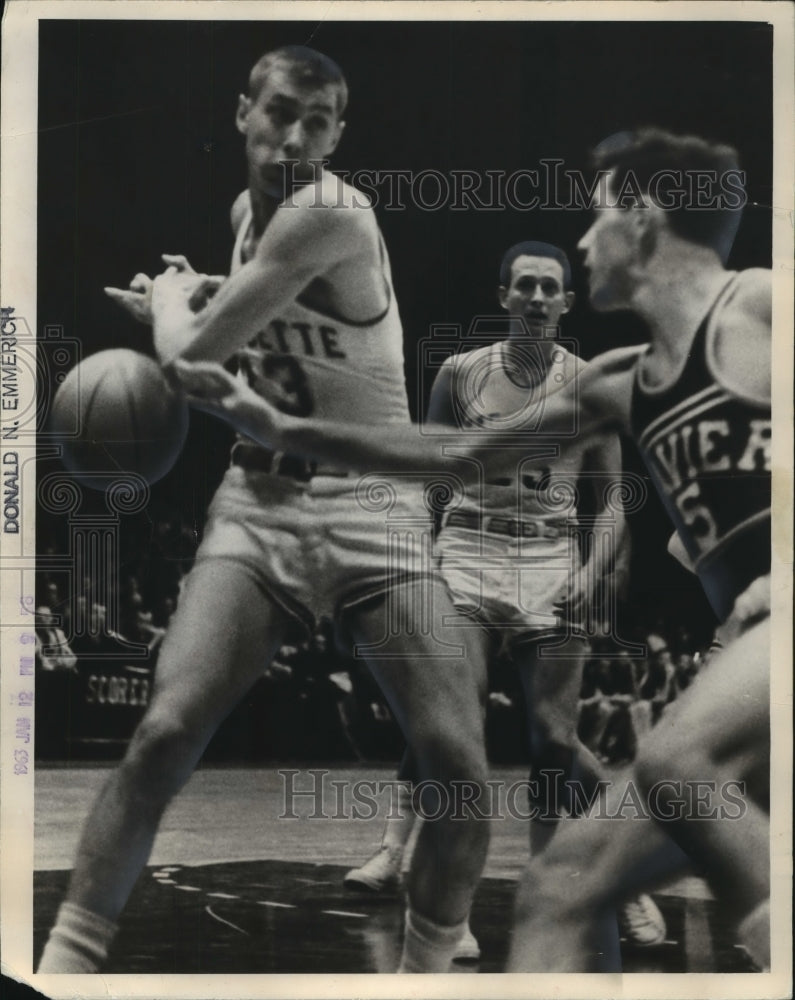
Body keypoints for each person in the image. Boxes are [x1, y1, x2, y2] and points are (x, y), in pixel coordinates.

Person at [175, 128, 773, 971]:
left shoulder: (758, 302)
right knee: (561, 889)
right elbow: (450, 456)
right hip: (701, 627)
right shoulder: (615, 379)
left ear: (642, 219)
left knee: (669, 759)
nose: (578, 240)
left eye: (596, 215)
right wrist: (280, 425)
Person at [38, 46, 492, 975]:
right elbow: (256, 312)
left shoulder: (332, 212)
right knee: (164, 732)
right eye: (282, 112)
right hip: (260, 500)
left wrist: (173, 304)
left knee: (459, 769)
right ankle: (63, 970)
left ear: (339, 133)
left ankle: (425, 976)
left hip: (372, 505)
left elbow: (194, 359)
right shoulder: (249, 215)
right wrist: (195, 287)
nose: (297, 139)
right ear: (243, 110)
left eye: (320, 121)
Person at [341, 241, 665, 952]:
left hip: (551, 560)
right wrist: (416, 555)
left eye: (551, 287)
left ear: (566, 303)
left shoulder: (592, 386)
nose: (538, 298)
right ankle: (438, 908)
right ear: (504, 296)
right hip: (468, 548)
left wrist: (591, 569)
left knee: (553, 741)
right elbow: (429, 472)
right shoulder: (460, 374)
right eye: (525, 286)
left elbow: (611, 502)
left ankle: (632, 871)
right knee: (450, 719)